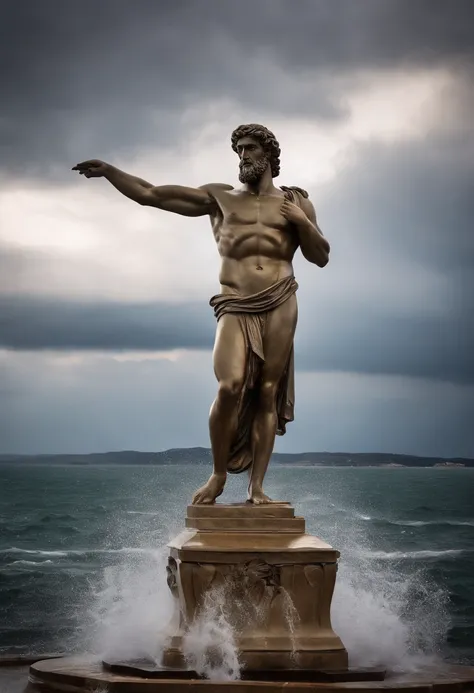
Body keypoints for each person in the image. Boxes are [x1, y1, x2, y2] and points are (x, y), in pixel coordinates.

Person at [73, 123, 330, 504]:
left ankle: (257, 489)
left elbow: (320, 256)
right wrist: (111, 171)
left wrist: (302, 222)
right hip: (233, 302)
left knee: (267, 391)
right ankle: (218, 474)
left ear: (269, 154)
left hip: (280, 299)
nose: (243, 156)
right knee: (229, 385)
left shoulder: (296, 202)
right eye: (239, 150)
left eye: (250, 149)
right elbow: (151, 195)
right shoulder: (220, 198)